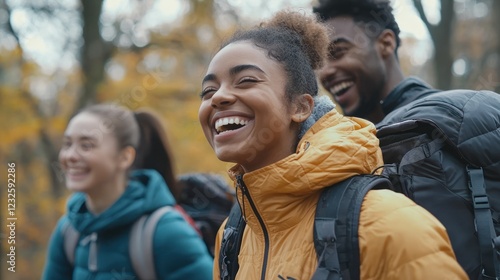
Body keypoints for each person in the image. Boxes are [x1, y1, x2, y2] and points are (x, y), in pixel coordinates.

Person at [198, 8, 467, 280]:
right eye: (208, 90)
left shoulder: (387, 223)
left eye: (246, 81)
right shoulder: (232, 235)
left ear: (300, 107)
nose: (218, 97)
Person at [42, 104, 213, 279]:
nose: (70, 155)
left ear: (125, 157)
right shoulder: (69, 230)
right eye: (67, 144)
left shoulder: (166, 231)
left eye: (86, 146)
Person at [314, 0, 439, 124]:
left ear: (386, 44)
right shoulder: (337, 139)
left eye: (339, 52)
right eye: (319, 64)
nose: (325, 72)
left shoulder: (445, 115)